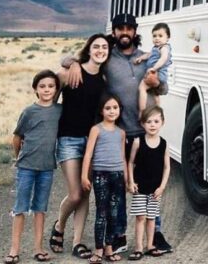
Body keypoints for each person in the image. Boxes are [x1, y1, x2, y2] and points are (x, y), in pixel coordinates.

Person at [66, 13, 173, 254]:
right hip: (120, 134)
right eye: (119, 29)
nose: (124, 32)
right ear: (113, 32)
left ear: (135, 31)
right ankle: (118, 235)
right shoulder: (107, 58)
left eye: (129, 28)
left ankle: (154, 235)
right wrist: (72, 62)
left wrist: (157, 83)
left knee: (149, 185)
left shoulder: (148, 56)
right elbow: (80, 59)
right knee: (122, 188)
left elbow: (164, 86)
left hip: (145, 133)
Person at [50, 34, 110, 259]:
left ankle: (77, 242)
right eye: (96, 46)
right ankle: (59, 226)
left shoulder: (104, 79)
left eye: (104, 47)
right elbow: (49, 104)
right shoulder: (68, 73)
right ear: (89, 49)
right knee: (75, 194)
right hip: (68, 139)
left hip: (92, 142)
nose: (100, 50)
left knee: (86, 191)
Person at [5, 70, 62, 264]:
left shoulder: (59, 111)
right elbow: (17, 138)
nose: (47, 90)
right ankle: (14, 250)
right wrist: (19, 158)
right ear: (35, 89)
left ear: (56, 89)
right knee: (20, 207)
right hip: (27, 167)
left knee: (40, 209)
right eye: (42, 86)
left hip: (47, 167)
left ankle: (38, 248)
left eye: (51, 86)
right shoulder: (29, 112)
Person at [81, 93, 128, 263]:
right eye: (108, 108)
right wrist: (85, 176)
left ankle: (109, 247)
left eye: (115, 108)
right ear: (101, 111)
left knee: (114, 213)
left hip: (117, 175)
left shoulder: (121, 133)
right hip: (100, 175)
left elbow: (123, 157)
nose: (112, 111)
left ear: (119, 110)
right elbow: (88, 155)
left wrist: (127, 179)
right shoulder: (96, 129)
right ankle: (98, 249)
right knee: (101, 212)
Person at [126, 106, 171, 259]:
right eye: (149, 121)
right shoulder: (138, 142)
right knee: (140, 217)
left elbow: (167, 167)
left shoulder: (164, 144)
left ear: (162, 123)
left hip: (155, 189)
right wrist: (131, 182)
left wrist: (162, 187)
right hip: (140, 187)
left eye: (156, 121)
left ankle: (150, 245)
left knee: (151, 218)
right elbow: (131, 162)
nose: (152, 124)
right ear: (143, 124)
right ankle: (138, 247)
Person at [136, 23, 172, 112]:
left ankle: (142, 111)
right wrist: (141, 58)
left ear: (168, 38)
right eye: (154, 36)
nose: (157, 38)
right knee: (155, 93)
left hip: (158, 73)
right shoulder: (156, 48)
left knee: (142, 88)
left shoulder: (164, 48)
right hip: (157, 74)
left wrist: (154, 68)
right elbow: (149, 55)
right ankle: (158, 110)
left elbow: (164, 58)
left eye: (160, 36)